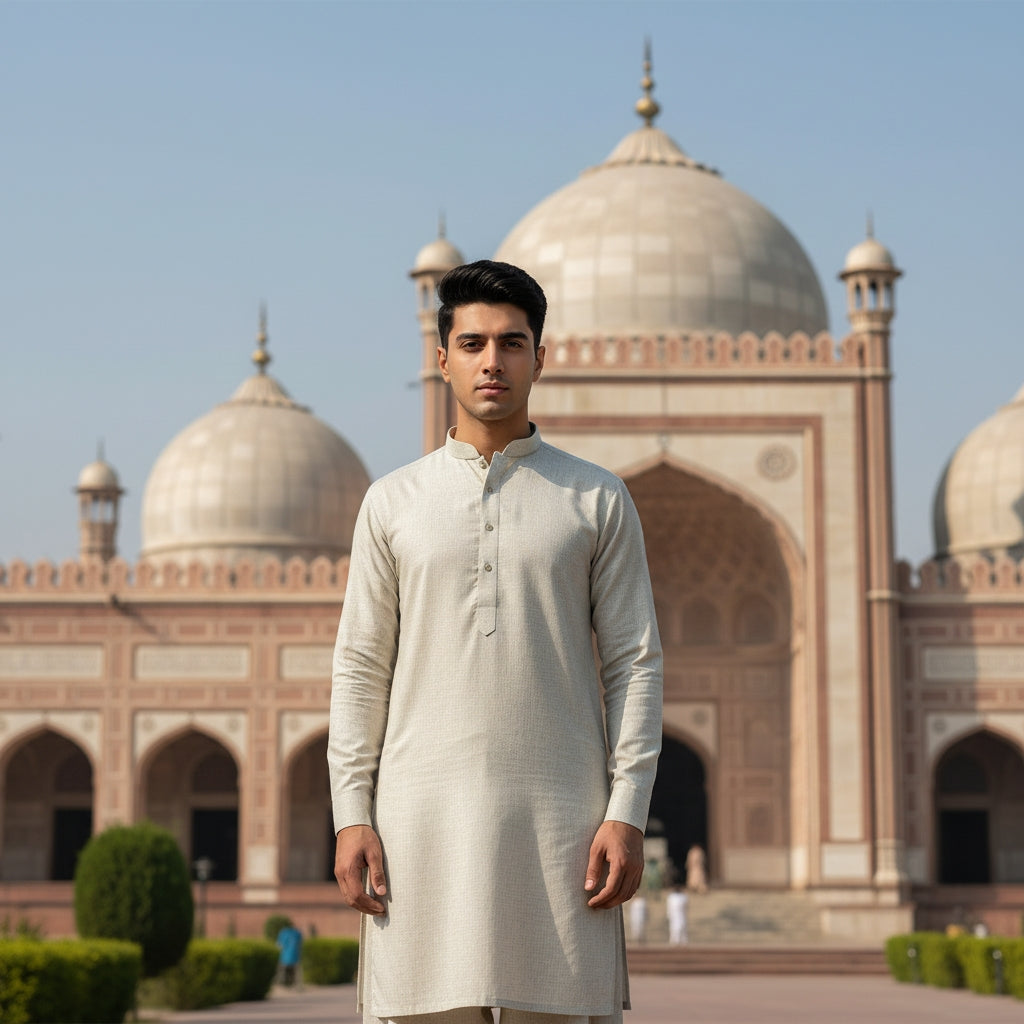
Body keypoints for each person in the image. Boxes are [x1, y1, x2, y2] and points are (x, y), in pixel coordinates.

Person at [329, 260, 663, 1024]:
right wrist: (353, 812)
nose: (493, 361)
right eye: (473, 342)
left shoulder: (596, 496)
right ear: (440, 357)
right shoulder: (393, 502)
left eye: (512, 343)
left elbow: (635, 663)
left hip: (563, 833)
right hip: (419, 830)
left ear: (539, 358)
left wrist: (628, 811)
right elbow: (359, 668)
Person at [275, 921, 303, 988]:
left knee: (281, 971)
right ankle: (298, 985)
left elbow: (279, 945)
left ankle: (281, 984)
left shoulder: (283, 933)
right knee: (297, 972)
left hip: (284, 956)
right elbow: (300, 945)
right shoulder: (297, 933)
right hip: (295, 956)